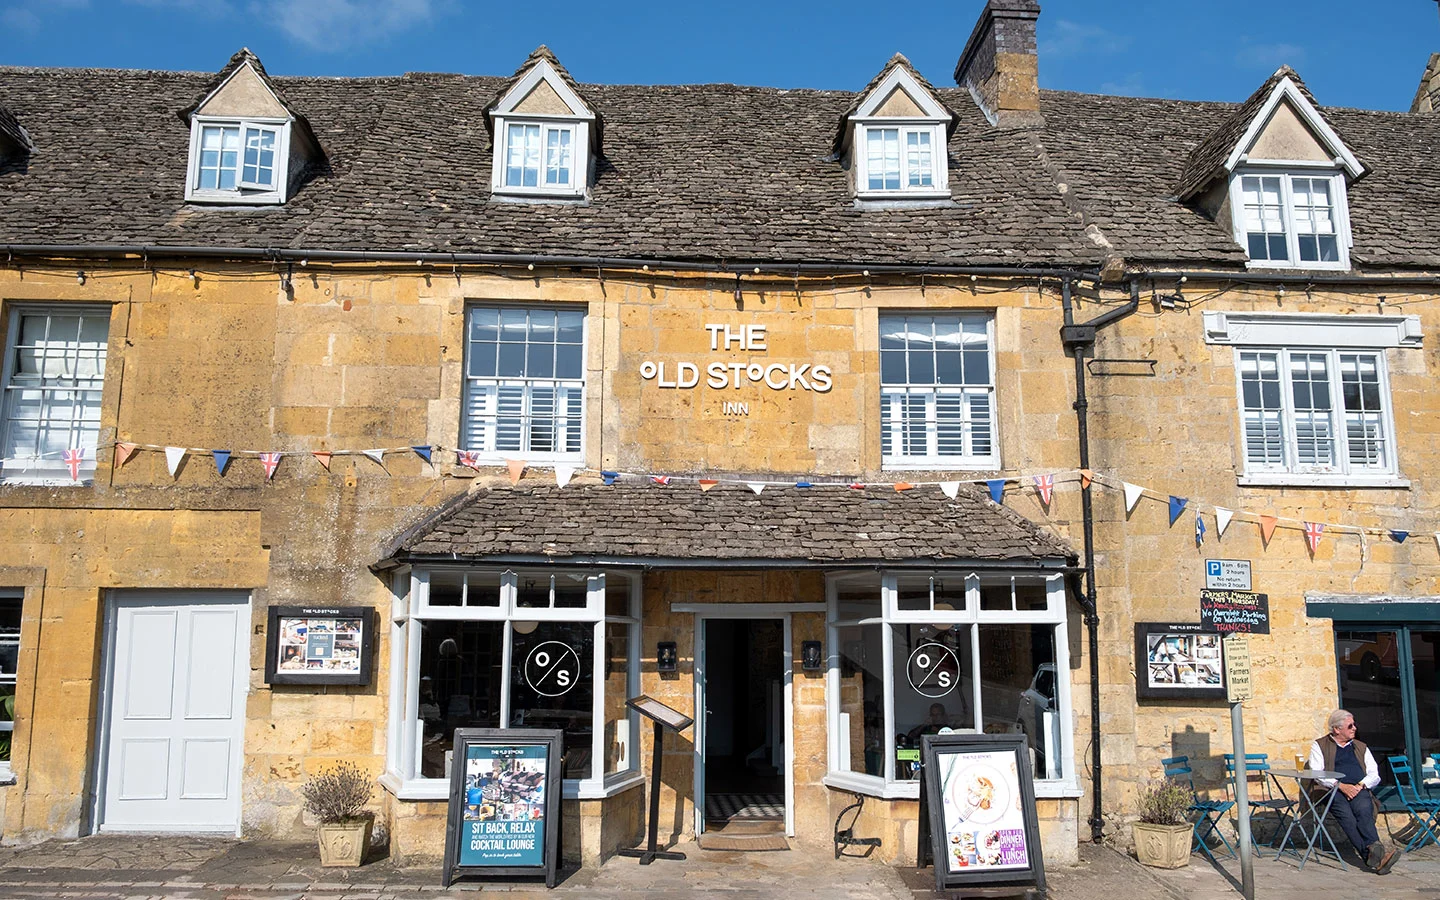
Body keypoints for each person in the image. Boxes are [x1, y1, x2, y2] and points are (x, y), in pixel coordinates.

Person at [1307, 709, 1398, 874]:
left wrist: (1359, 786)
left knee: (1364, 810)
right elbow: (1317, 773)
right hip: (1331, 790)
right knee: (1346, 817)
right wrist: (1340, 786)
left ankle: (1375, 856)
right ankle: (1375, 856)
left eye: (1354, 725)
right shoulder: (1320, 745)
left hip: (1358, 788)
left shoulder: (1361, 747)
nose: (1354, 728)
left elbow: (1374, 774)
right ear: (1337, 729)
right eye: (1350, 726)